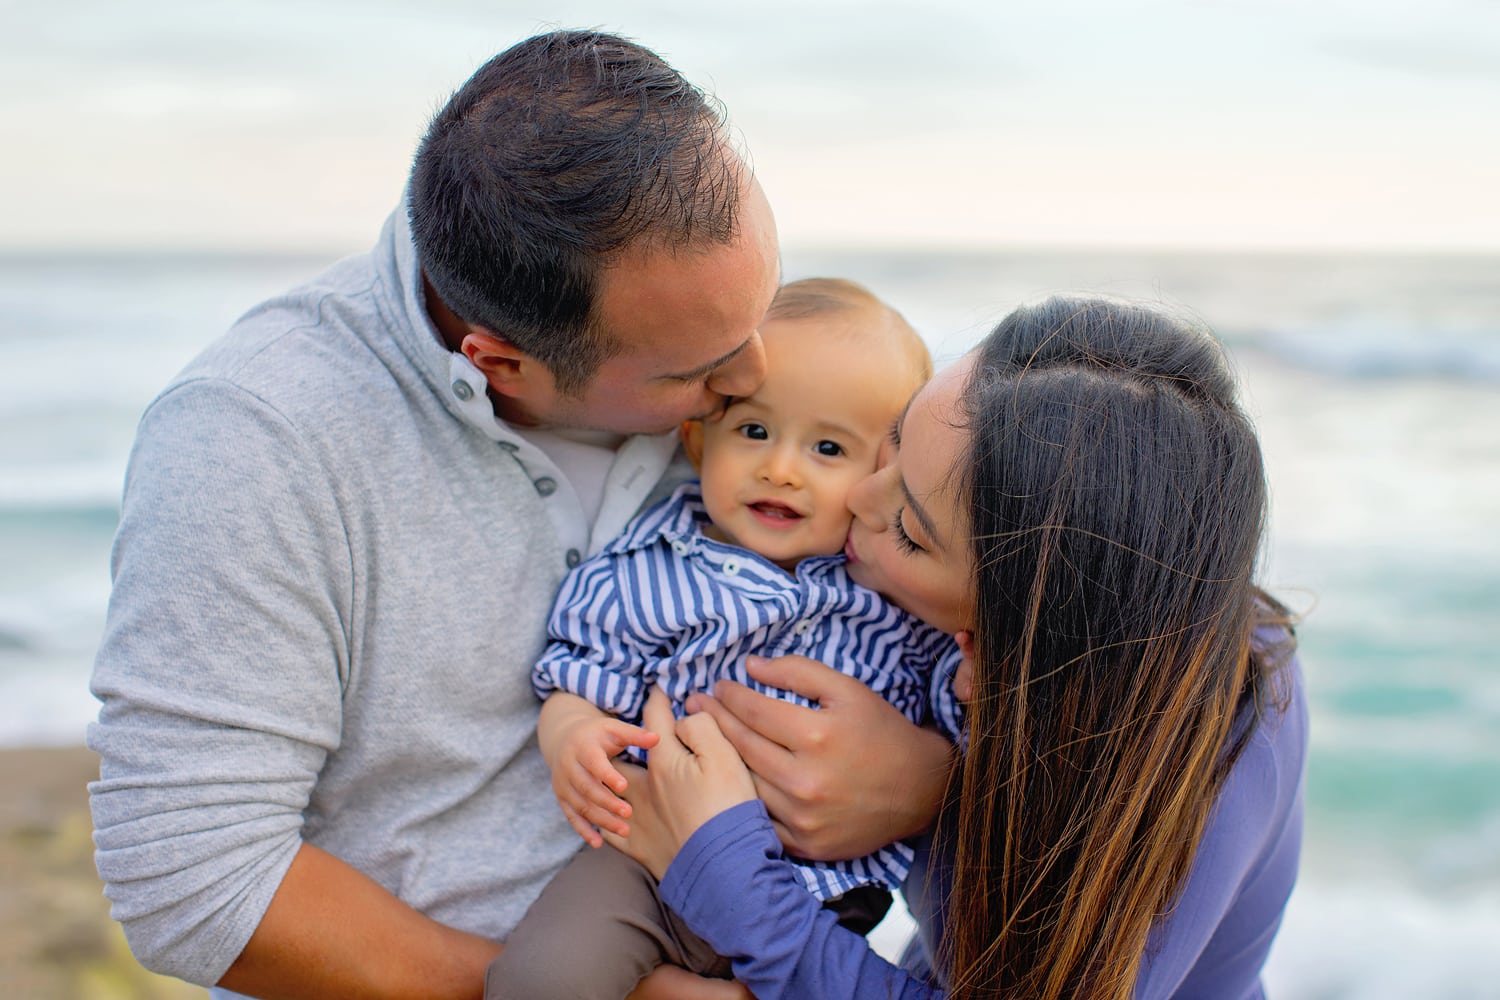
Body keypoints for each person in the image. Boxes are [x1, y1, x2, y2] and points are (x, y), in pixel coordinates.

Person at [86, 31, 953, 1000]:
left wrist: (926, 781)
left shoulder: (697, 330)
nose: (752, 377)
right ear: (501, 363)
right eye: (699, 372)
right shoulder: (259, 435)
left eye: (756, 312)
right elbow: (195, 886)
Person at [609, 296, 1309, 1000]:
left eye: (911, 531)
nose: (858, 498)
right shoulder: (973, 622)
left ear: (1021, 628)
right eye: (895, 439)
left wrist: (728, 870)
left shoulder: (1219, 728)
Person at [486, 278, 960, 1000]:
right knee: (540, 978)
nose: (781, 467)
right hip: (645, 864)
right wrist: (572, 738)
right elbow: (582, 672)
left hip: (829, 891)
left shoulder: (891, 595)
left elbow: (964, 715)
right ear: (699, 439)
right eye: (755, 432)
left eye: (827, 447)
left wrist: (935, 774)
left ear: (882, 480)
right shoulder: (657, 565)